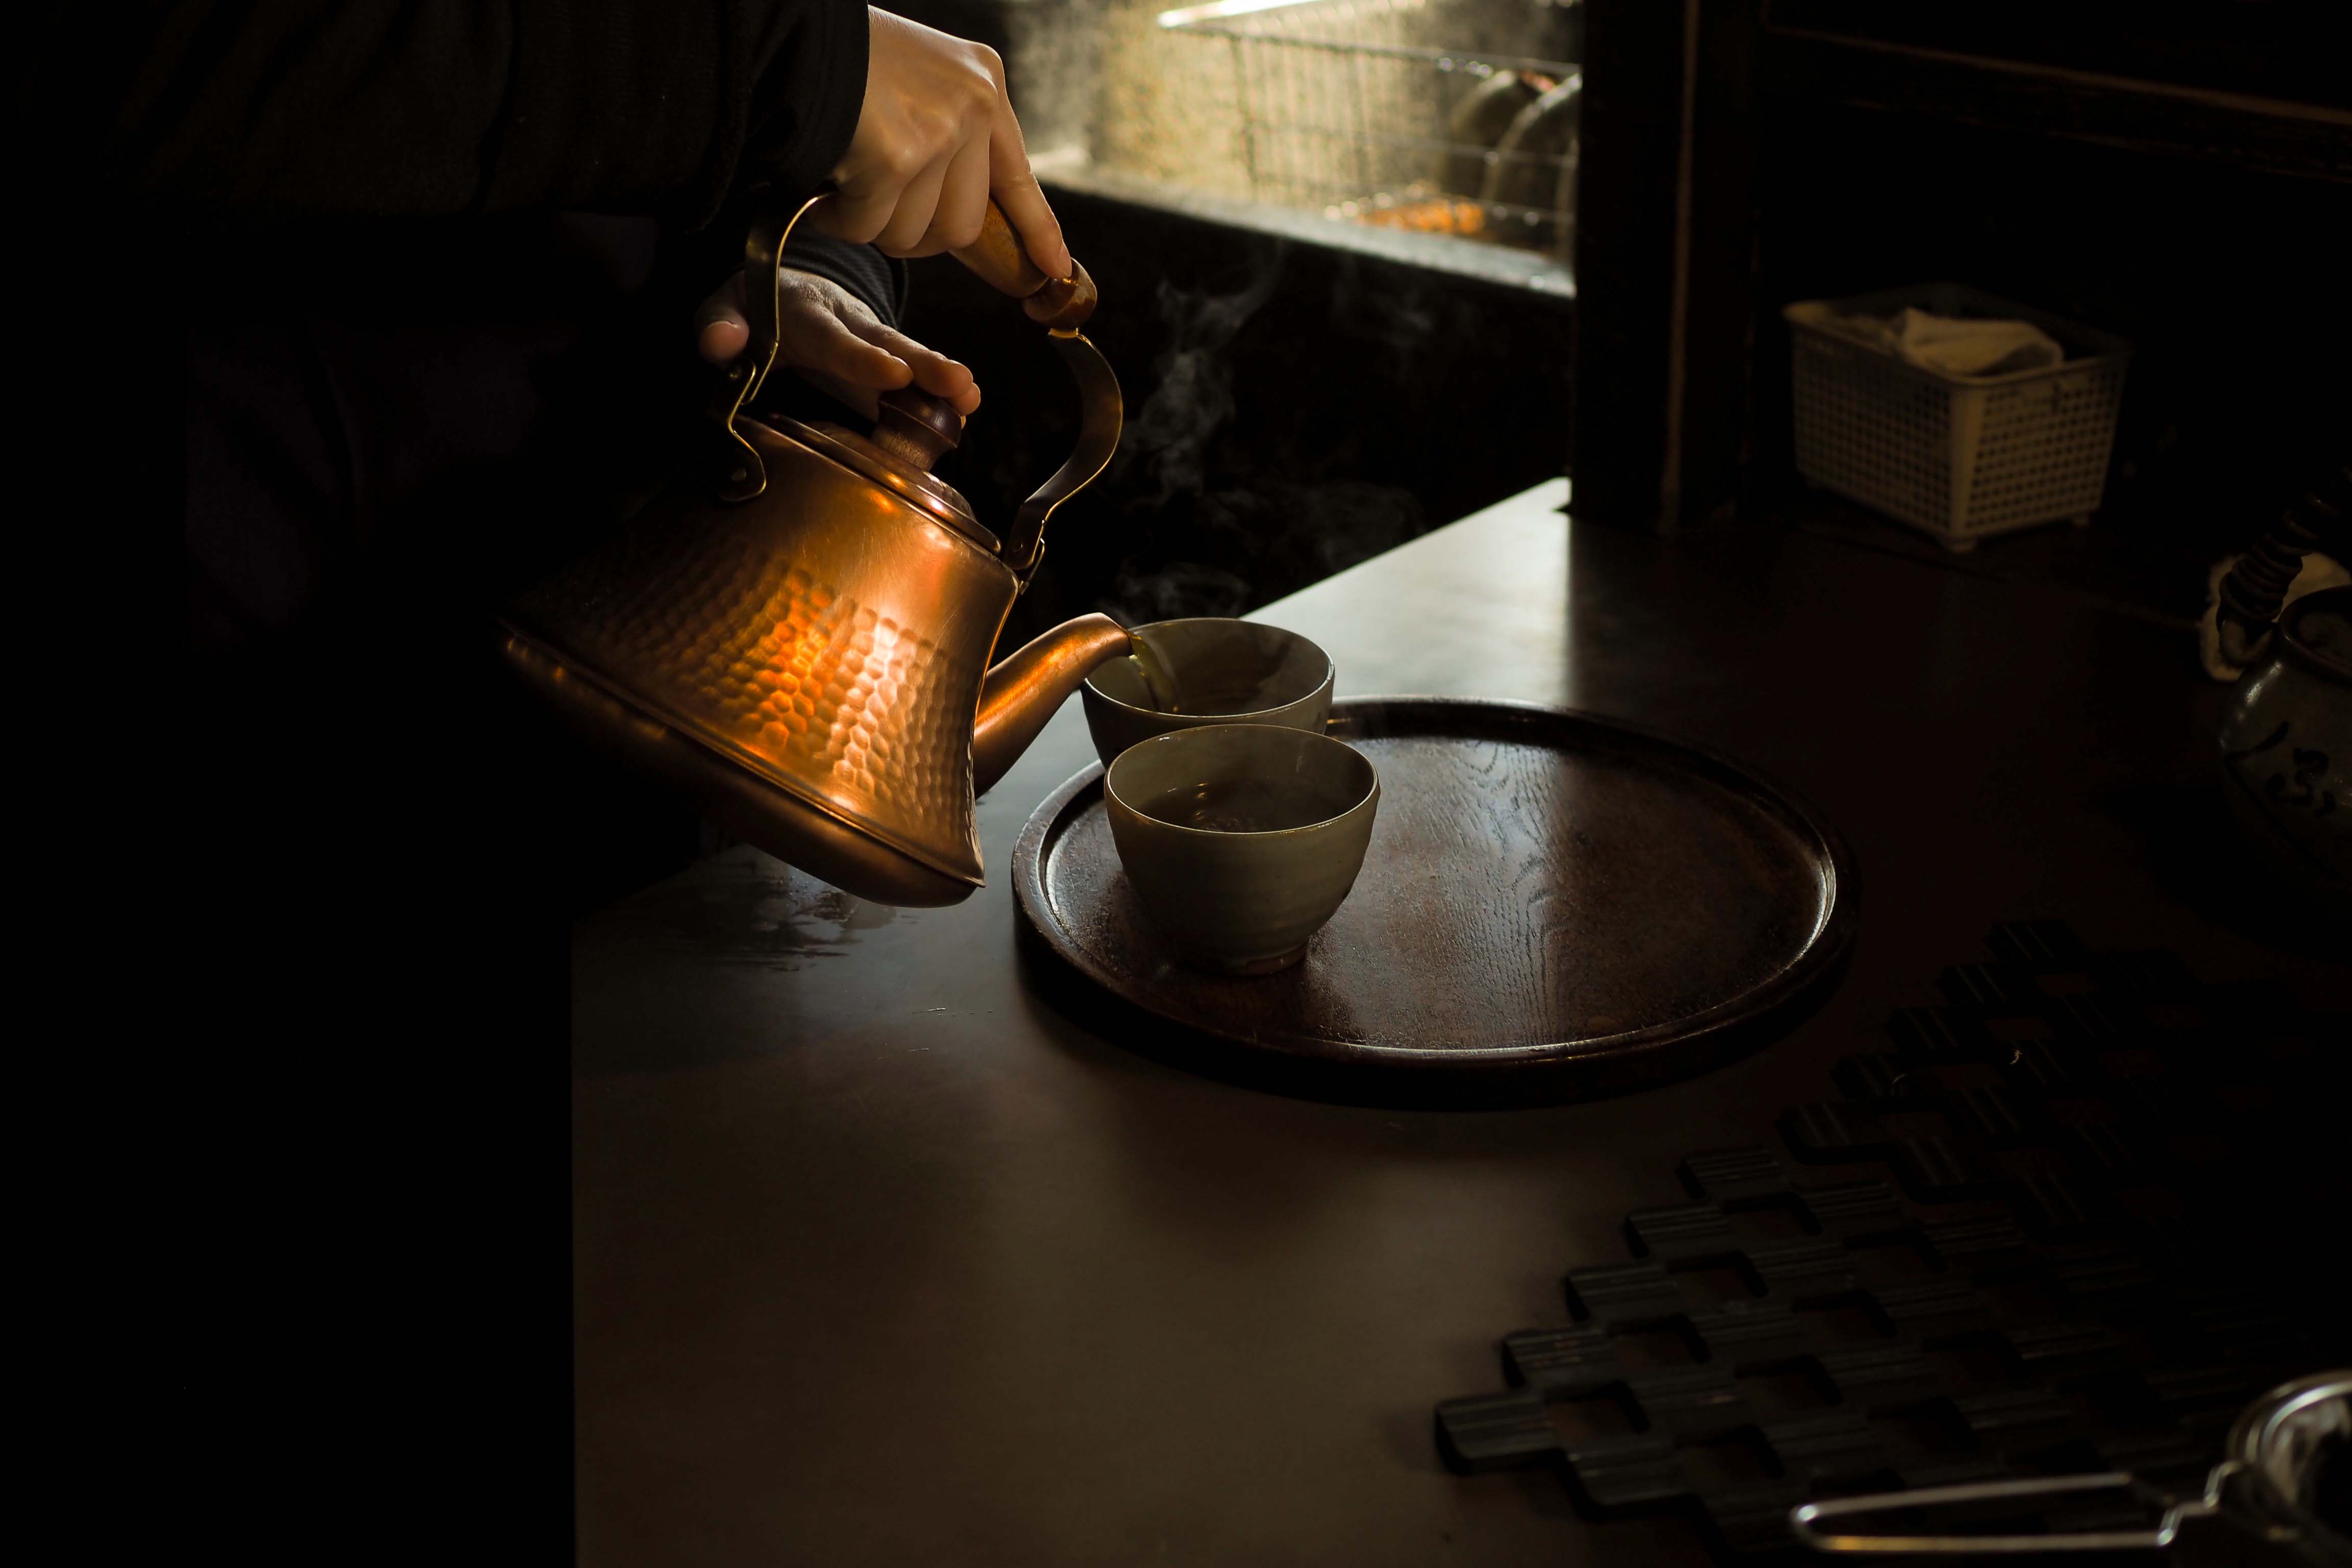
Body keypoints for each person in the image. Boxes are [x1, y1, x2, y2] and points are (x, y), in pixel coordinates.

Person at [36, 6, 1076, 1547]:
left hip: (617, 701)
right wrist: (773, 71)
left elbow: (889, 68)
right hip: (231, 712)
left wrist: (791, 268)